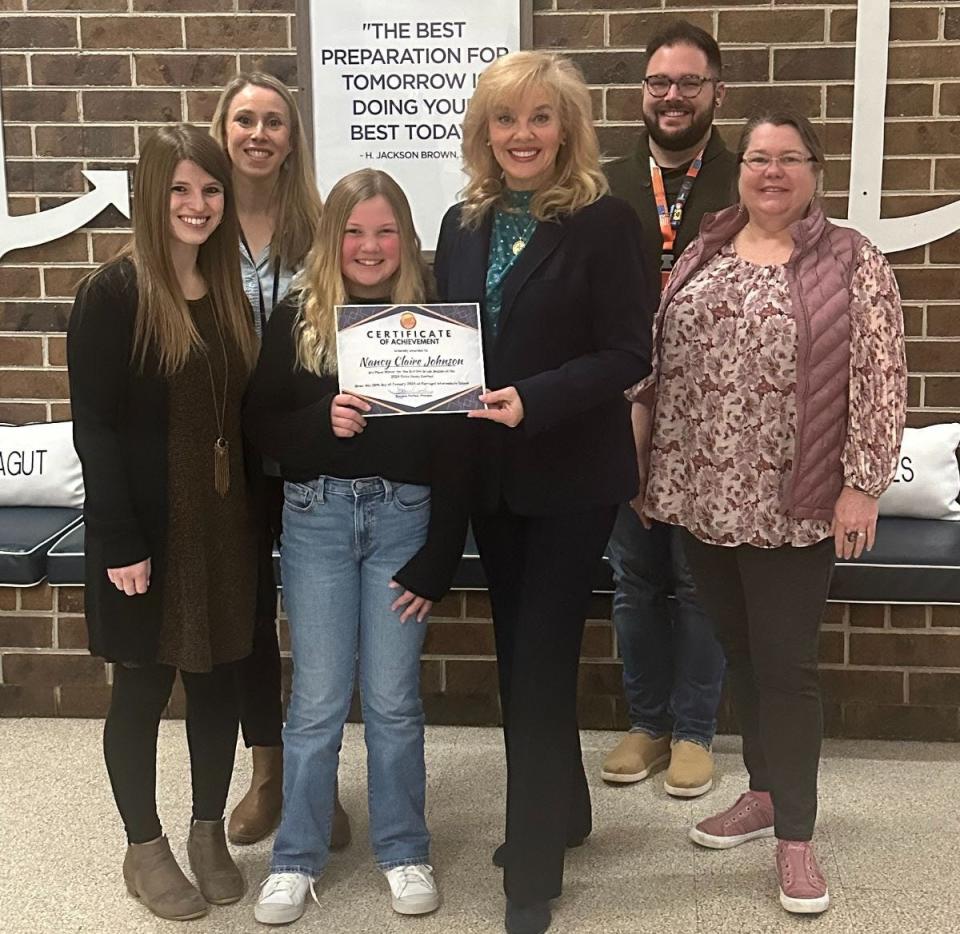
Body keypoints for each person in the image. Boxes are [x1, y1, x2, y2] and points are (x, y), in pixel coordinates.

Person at [628, 111, 907, 914]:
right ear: (739, 169)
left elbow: (882, 380)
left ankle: (796, 837)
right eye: (758, 158)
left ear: (815, 170)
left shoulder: (852, 261)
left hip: (796, 500)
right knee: (740, 656)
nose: (771, 172)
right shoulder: (705, 247)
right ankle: (761, 792)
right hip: (703, 493)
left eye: (789, 159)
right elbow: (658, 362)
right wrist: (646, 469)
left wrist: (862, 485)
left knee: (787, 671)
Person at [433, 51, 652, 934]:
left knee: (539, 665)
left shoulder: (606, 222)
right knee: (520, 650)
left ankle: (532, 874)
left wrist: (536, 397)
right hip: (492, 476)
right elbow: (446, 340)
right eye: (505, 119)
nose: (522, 136)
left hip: (570, 477)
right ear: (484, 132)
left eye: (540, 118)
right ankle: (564, 813)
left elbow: (628, 355)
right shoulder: (461, 221)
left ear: (568, 129)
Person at [244, 169, 471, 926]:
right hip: (316, 522)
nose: (369, 247)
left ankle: (404, 849)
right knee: (314, 701)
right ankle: (295, 857)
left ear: (405, 239)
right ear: (330, 237)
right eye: (353, 231)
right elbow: (262, 428)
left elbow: (458, 452)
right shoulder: (295, 320)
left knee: (393, 700)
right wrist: (320, 422)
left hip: (405, 521)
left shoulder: (437, 325)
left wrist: (440, 556)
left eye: (384, 231)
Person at [67, 123, 263, 922]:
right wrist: (118, 539)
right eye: (180, 189)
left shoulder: (226, 292)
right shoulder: (112, 293)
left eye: (211, 189)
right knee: (143, 691)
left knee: (218, 687)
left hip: (222, 531)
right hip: (145, 537)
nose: (197, 204)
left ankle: (207, 832)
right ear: (151, 194)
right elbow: (95, 428)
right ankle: (143, 847)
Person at [209, 71, 351, 851]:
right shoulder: (195, 220)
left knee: (317, 620)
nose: (258, 134)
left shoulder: (318, 230)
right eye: (245, 120)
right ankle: (268, 774)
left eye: (273, 121)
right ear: (224, 130)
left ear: (293, 138)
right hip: (221, 454)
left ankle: (316, 776)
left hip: (302, 447)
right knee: (248, 617)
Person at [600, 21, 733, 797]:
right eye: (659, 83)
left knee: (697, 580)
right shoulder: (606, 179)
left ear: (717, 92)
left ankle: (694, 731)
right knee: (635, 576)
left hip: (713, 420)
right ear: (642, 93)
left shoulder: (744, 178)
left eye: (688, 83)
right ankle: (647, 724)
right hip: (621, 409)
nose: (672, 96)